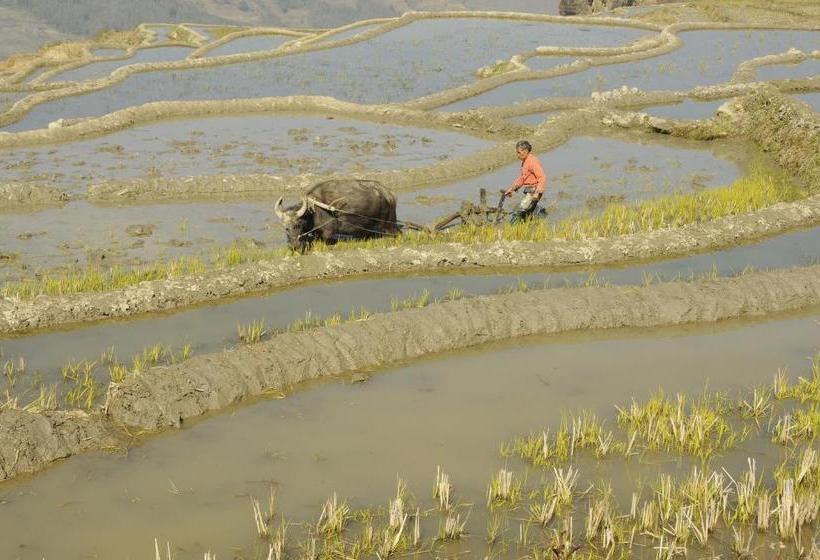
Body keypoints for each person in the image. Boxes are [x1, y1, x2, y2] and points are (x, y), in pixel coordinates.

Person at [503, 140, 547, 223]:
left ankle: (511, 229)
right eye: (517, 152)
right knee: (529, 210)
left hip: (534, 191)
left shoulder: (533, 161)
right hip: (529, 190)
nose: (517, 155)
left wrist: (537, 192)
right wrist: (511, 189)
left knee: (518, 210)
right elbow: (522, 178)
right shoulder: (525, 162)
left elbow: (542, 177)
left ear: (526, 151)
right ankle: (541, 217)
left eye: (519, 152)